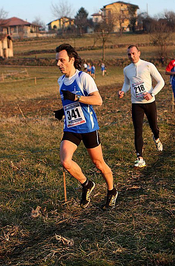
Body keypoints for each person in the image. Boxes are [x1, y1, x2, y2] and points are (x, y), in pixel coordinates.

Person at [53, 43, 118, 210]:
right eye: (57, 61)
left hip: (88, 127)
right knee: (66, 162)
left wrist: (76, 98)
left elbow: (98, 100)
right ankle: (87, 184)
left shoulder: (84, 78)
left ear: (72, 60)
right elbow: (69, 101)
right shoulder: (61, 81)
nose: (59, 64)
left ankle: (112, 191)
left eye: (62, 60)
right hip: (71, 128)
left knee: (98, 163)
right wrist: (62, 111)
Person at [119, 45, 165, 168]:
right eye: (129, 54)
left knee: (153, 126)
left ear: (139, 53)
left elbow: (161, 82)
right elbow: (127, 83)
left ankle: (157, 138)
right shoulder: (127, 69)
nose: (131, 56)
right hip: (136, 103)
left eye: (133, 53)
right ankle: (140, 158)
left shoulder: (148, 65)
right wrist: (123, 91)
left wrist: (152, 94)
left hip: (149, 103)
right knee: (137, 130)